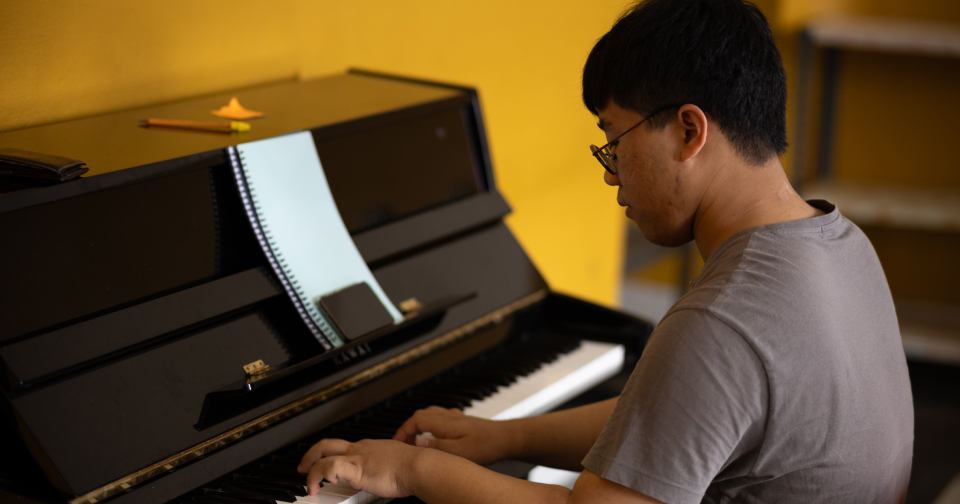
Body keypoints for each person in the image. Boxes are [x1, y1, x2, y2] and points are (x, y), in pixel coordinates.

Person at [297, 0, 915, 502]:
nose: (610, 175)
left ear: (689, 131)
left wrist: (409, 472)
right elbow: (673, 420)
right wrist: (501, 437)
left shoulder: (723, 319)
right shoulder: (838, 241)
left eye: (613, 142)